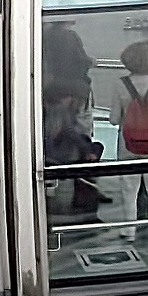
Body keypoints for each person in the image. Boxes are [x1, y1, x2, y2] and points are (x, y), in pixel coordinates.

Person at [108, 39, 148, 241]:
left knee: (129, 188)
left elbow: (113, 119)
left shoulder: (121, 85)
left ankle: (129, 229)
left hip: (128, 143)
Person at [43, 84, 104, 219]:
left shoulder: (50, 111)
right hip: (57, 156)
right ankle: (86, 195)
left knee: (90, 149)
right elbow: (71, 133)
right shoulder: (61, 112)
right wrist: (88, 149)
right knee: (91, 152)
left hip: (53, 152)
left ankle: (87, 191)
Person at [43, 20, 94, 132]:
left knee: (56, 125)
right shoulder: (70, 36)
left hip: (51, 89)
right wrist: (90, 62)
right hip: (73, 88)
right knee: (78, 125)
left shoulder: (43, 36)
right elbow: (82, 61)